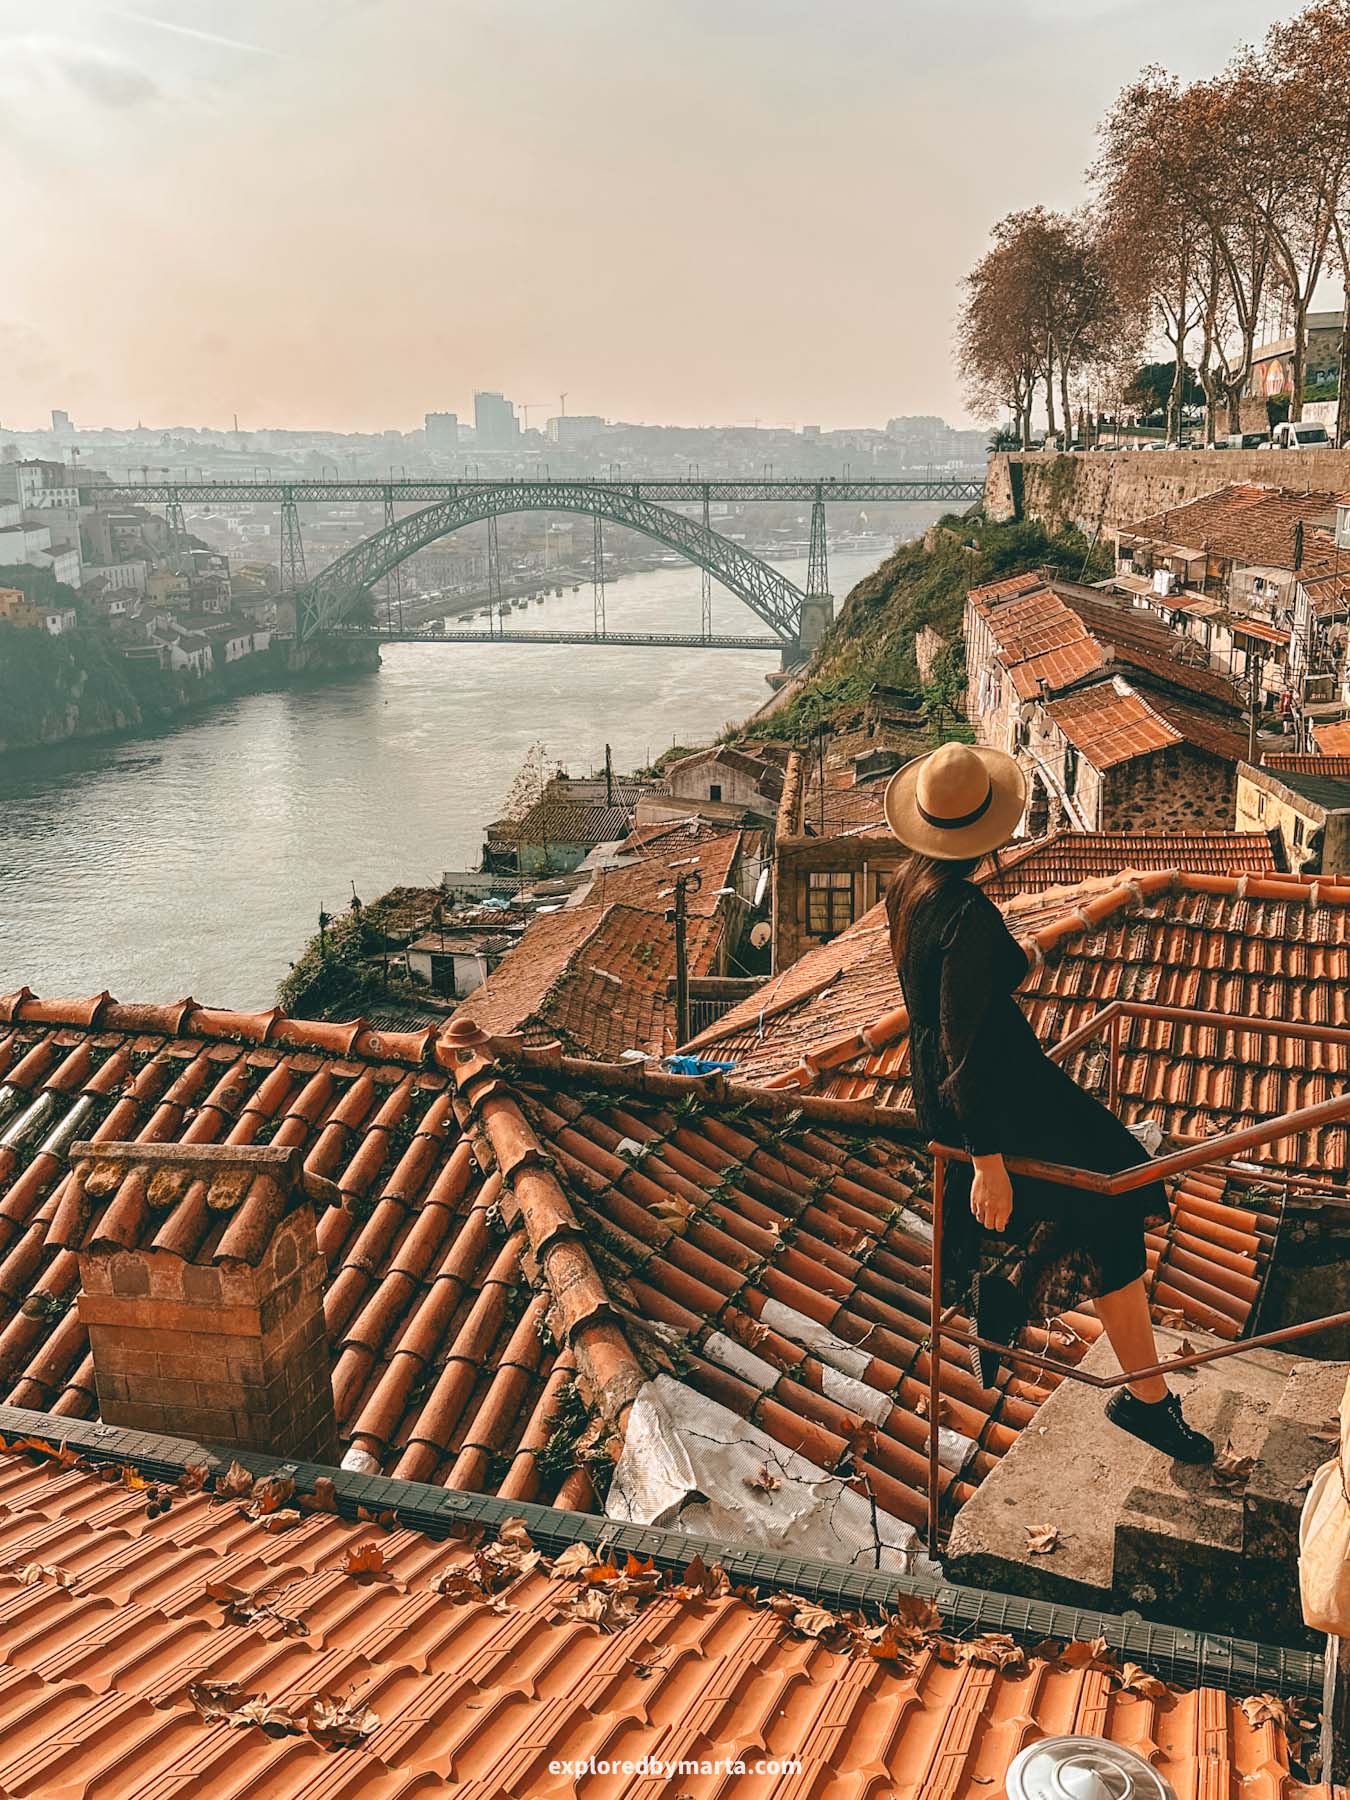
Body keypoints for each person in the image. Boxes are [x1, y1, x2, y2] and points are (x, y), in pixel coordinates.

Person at [883, 740, 1213, 1463]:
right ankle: (1143, 1398)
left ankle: (1008, 1292)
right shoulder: (967, 912)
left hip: (948, 1090)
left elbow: (964, 987)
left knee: (1109, 1187)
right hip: (992, 1098)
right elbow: (967, 1033)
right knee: (1118, 1188)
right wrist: (988, 1162)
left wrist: (1021, 955)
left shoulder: (909, 888)